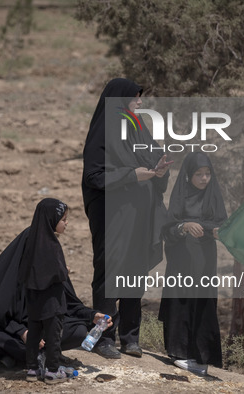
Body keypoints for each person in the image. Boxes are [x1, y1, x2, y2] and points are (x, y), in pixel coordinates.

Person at [0, 198, 111, 382]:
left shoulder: (52, 261)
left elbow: (68, 303)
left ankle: (29, 358)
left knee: (78, 330)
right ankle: (35, 356)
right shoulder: (14, 269)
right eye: (63, 219)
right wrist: (22, 332)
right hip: (14, 333)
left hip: (45, 327)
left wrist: (92, 315)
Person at [81, 78, 170, 359]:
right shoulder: (103, 131)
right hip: (112, 216)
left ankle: (130, 337)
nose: (140, 103)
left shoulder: (136, 127)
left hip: (139, 216)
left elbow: (153, 156)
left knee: (134, 272)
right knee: (109, 273)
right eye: (135, 98)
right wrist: (132, 175)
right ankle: (103, 338)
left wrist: (160, 167)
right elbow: (94, 176)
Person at [158, 152, 228, 375]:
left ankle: (201, 355)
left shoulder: (213, 196)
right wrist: (184, 226)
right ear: (189, 175)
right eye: (199, 174)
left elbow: (222, 223)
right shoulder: (181, 196)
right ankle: (179, 354)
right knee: (182, 301)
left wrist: (218, 231)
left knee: (203, 302)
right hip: (181, 260)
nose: (204, 178)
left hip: (204, 260)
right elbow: (168, 228)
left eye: (207, 174)